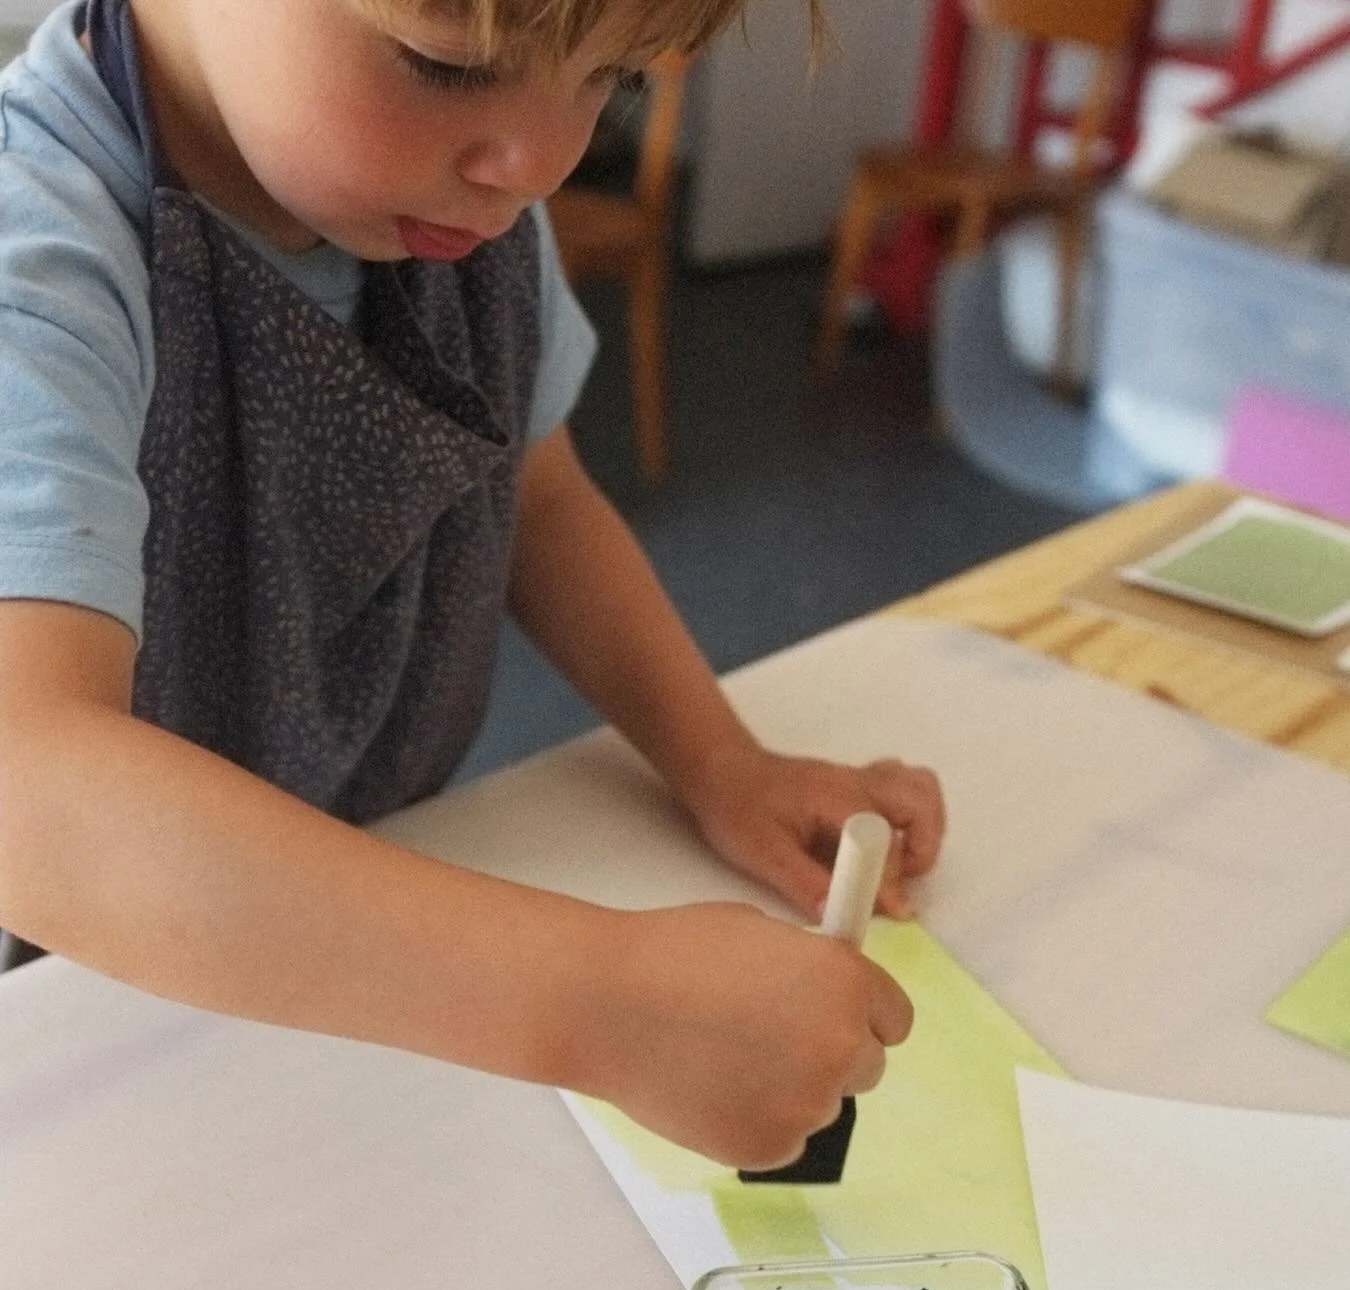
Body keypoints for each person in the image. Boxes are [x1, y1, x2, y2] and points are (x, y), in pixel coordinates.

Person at [0, 0, 945, 1171]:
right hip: (85, 1023)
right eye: (442, 67)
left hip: (375, 930)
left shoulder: (460, 202)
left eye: (617, 80)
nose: (537, 165)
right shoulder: (34, 256)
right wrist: (606, 1002)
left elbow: (538, 500)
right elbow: (25, 781)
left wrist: (721, 761)